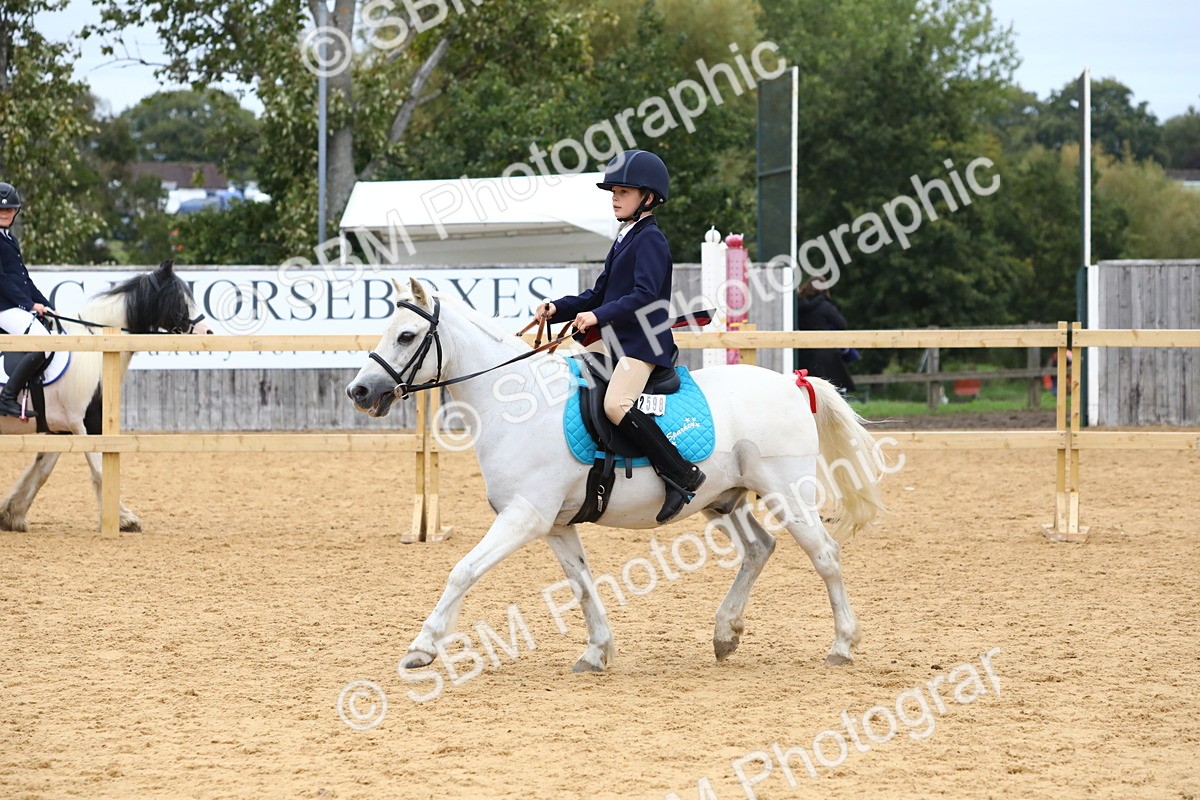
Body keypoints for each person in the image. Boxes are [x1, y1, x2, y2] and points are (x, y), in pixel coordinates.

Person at [538, 150, 705, 523]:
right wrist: (558, 308)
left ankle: (680, 473)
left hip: (643, 343)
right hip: (618, 342)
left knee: (616, 404)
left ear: (648, 197)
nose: (615, 196)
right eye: (613, 189)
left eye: (624, 191)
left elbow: (644, 295)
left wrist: (596, 315)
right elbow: (598, 294)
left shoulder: (651, 240)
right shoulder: (625, 237)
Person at [0, 182, 55, 418]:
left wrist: (48, 305)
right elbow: (1, 280)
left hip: (13, 306)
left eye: (9, 209)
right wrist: (29, 305)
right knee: (44, 342)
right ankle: (7, 398)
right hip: (3, 308)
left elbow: (24, 280)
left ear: (16, 212)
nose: (4, 213)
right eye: (0, 209)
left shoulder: (9, 239)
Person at [794, 281, 856, 393]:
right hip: (826, 353)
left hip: (803, 353)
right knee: (834, 391)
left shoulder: (797, 306)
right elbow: (842, 324)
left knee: (808, 390)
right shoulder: (825, 306)